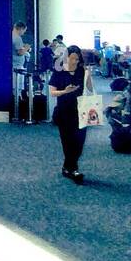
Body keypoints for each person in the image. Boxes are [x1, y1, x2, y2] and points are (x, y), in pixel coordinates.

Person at [49, 45, 93, 184]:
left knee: (80, 140)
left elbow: (90, 89)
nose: (75, 61)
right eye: (72, 58)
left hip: (81, 109)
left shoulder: (81, 70)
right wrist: (65, 91)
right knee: (68, 141)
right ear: (66, 57)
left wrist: (88, 76)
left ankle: (68, 167)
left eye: (77, 58)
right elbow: (52, 92)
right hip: (64, 110)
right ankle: (72, 168)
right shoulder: (59, 72)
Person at [12, 22, 29, 96]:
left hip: (13, 65)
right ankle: (17, 102)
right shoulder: (17, 38)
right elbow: (20, 52)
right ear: (21, 29)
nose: (24, 33)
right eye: (24, 31)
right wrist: (26, 48)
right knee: (17, 88)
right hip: (17, 67)